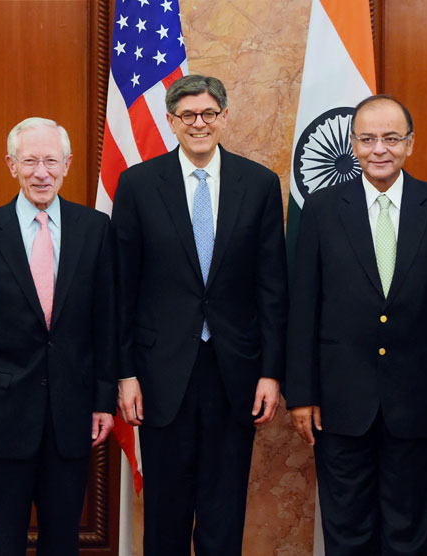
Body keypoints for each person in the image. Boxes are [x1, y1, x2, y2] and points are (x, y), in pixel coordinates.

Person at [286, 94, 427, 555]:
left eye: (391, 138)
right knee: (347, 533)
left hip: (417, 402)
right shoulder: (321, 209)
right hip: (339, 403)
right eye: (368, 139)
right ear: (353, 145)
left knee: (408, 534)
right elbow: (304, 306)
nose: (379, 149)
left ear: (410, 143)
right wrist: (302, 394)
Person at [111, 74, 287, 556]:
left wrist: (271, 372)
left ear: (224, 117)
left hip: (236, 373)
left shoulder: (259, 184)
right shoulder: (138, 185)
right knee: (165, 516)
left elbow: (273, 289)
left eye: (209, 113)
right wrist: (125, 373)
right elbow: (122, 290)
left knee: (223, 516)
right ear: (171, 122)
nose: (199, 123)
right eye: (187, 115)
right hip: (160, 374)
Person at [0, 117, 117, 556]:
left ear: (67, 165)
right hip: (1, 416)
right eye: (30, 161)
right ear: (11, 165)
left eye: (51, 161)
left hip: (72, 414)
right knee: (4, 541)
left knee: (62, 542)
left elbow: (105, 323)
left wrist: (103, 401)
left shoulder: (95, 229)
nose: (41, 172)